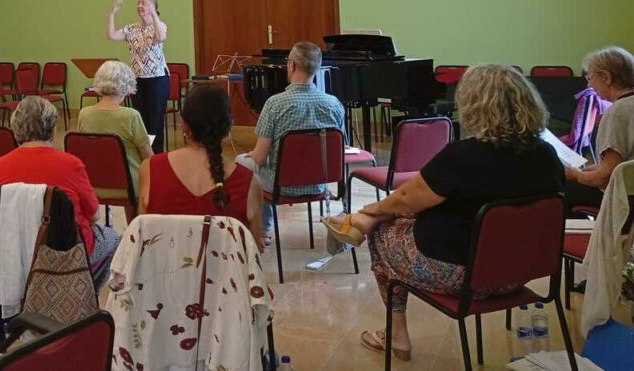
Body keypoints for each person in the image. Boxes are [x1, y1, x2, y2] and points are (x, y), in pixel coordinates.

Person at [321, 64, 564, 361]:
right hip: (521, 271)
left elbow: (406, 199)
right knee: (409, 212)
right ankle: (363, 222)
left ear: (474, 105)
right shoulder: (546, 155)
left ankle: (396, 332)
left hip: (464, 276)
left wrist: (371, 210)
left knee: (383, 232)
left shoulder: (463, 156)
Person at [0, 96, 120, 289]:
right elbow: (94, 216)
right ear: (52, 129)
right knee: (113, 238)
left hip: (18, 252)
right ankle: (86, 294)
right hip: (68, 252)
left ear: (15, 128)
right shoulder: (71, 164)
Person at [243, 41, 345, 243]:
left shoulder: (275, 104)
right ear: (318, 68)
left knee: (242, 163)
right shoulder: (334, 104)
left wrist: (248, 155)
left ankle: (262, 229)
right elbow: (340, 150)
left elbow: (260, 157)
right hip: (318, 185)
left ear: (291, 65)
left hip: (281, 185)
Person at [140, 84, 264, 249]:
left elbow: (142, 239)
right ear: (229, 127)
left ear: (185, 126)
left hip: (163, 265)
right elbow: (253, 253)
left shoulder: (150, 168)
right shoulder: (249, 183)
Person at [565, 46, 634, 211]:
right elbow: (621, 164)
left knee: (561, 189)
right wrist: (583, 171)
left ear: (606, 77)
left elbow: (605, 177)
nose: (589, 84)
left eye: (590, 77)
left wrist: (574, 175)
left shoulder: (617, 111)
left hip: (624, 199)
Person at [78, 61, 153, 197]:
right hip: (129, 186)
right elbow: (148, 158)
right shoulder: (131, 115)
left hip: (93, 185)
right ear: (128, 84)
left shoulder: (84, 114)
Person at [108, 0, 168, 154]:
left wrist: (154, 15)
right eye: (139, 3)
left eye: (144, 3)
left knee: (155, 121)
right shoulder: (131, 28)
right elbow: (112, 35)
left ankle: (156, 155)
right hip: (138, 80)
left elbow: (161, 37)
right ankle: (145, 153)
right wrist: (112, 14)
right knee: (141, 119)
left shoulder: (160, 25)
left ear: (153, 7)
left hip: (157, 80)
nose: (140, 5)